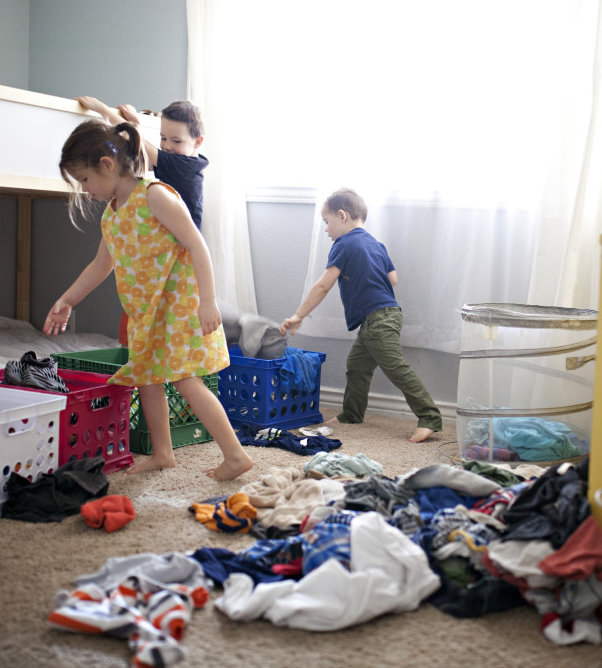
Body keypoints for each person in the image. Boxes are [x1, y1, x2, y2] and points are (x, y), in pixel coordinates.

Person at [44, 118, 253, 481]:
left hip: (178, 306)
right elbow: (100, 265)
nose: (85, 189)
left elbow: (196, 244)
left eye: (84, 179)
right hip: (146, 312)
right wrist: (68, 299)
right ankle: (162, 453)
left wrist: (208, 301)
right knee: (148, 377)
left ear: (106, 165)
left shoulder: (154, 195)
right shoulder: (112, 214)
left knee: (187, 381)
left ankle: (234, 455)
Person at [280, 188, 442, 443]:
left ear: (342, 216)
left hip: (378, 320)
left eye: (326, 222)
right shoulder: (376, 244)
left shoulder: (343, 244)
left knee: (396, 368)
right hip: (383, 316)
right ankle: (352, 414)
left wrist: (299, 315)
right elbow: (393, 279)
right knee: (357, 366)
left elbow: (323, 285)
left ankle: (430, 417)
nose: (326, 230)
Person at [77, 96, 208, 231]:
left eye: (176, 141)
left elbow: (141, 143)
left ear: (197, 142)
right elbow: (143, 155)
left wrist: (101, 108)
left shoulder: (184, 168)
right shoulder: (187, 164)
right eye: (163, 138)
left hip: (183, 244)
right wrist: (136, 122)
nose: (167, 146)